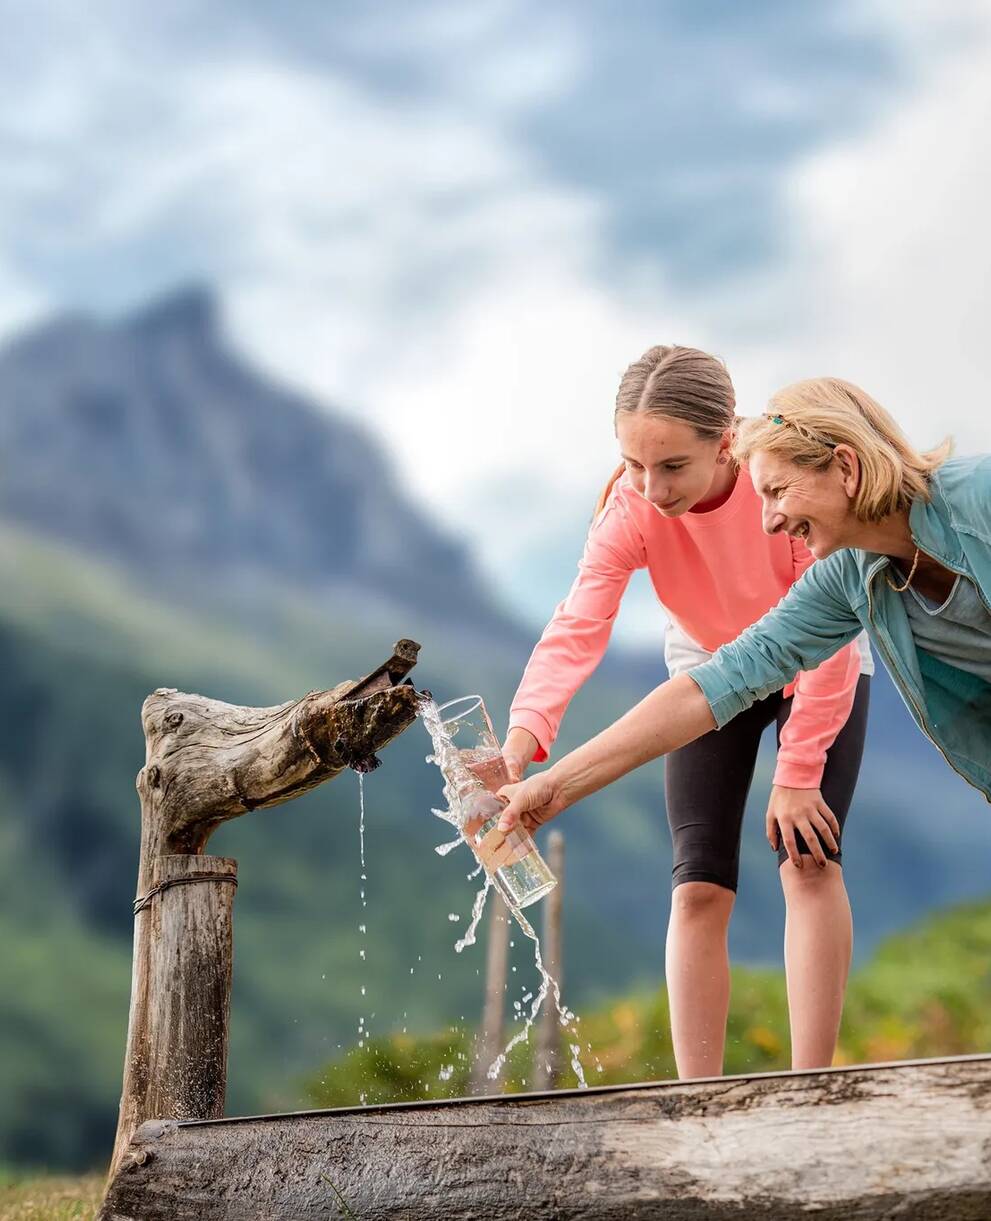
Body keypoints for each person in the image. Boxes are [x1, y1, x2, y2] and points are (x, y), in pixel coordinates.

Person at [498, 379, 991, 991]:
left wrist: (800, 767)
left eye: (779, 491)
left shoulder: (978, 497)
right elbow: (717, 684)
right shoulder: (845, 581)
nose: (770, 519)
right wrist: (555, 785)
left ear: (845, 466)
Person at [501, 348, 870, 1077]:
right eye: (634, 464)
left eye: (670, 466)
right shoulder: (630, 510)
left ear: (725, 441)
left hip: (817, 665)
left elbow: (830, 631)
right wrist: (523, 736)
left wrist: (796, 773)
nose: (649, 486)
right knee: (697, 884)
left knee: (807, 861)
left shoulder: (782, 486)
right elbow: (577, 625)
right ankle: (697, 1101)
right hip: (708, 671)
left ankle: (812, 1087)